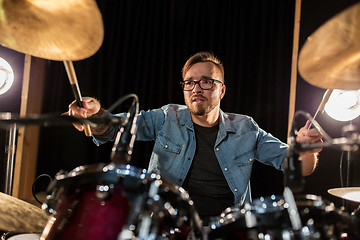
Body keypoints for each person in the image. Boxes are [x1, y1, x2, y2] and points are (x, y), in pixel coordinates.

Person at [67, 51, 322, 223]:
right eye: (189, 82)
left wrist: (306, 151)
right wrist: (96, 114)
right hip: (169, 224)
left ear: (221, 90)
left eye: (206, 82)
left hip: (224, 228)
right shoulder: (168, 117)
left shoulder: (246, 128)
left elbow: (296, 166)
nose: (196, 88)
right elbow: (114, 128)